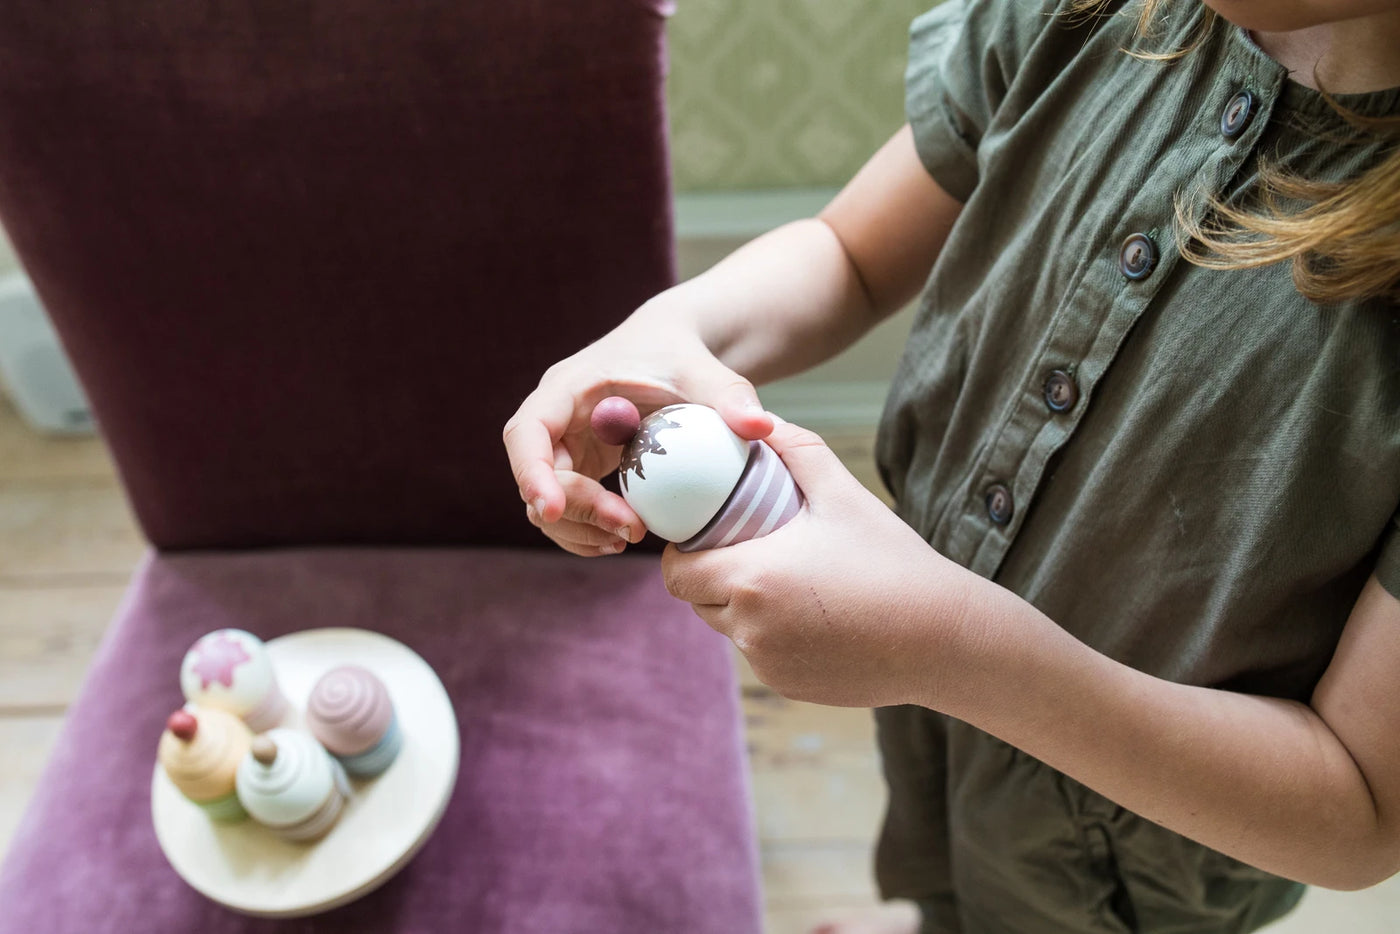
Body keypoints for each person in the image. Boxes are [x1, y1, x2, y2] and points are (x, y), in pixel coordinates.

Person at [504, 0, 1400, 930]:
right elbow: (849, 255)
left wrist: (945, 648)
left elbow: (1362, 808)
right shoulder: (1087, 15)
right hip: (922, 702)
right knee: (944, 881)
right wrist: (675, 332)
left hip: (1146, 841)